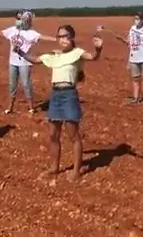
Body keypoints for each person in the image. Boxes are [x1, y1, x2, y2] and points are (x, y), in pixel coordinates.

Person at [13, 25, 103, 181]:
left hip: (69, 94)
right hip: (55, 95)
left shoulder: (78, 53)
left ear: (72, 37)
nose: (63, 39)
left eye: (66, 36)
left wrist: (98, 49)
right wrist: (19, 51)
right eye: (60, 36)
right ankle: (54, 168)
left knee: (73, 135)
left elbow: (93, 57)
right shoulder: (54, 56)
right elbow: (35, 60)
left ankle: (76, 171)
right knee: (53, 135)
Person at [0, 10, 57, 114]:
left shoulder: (32, 33)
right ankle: (10, 107)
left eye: (23, 19)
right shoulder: (12, 30)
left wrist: (57, 39)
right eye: (19, 19)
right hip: (13, 62)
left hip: (25, 62)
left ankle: (31, 107)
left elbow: (42, 37)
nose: (20, 21)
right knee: (12, 85)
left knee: (26, 84)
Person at [110, 12, 143, 104]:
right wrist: (121, 39)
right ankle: (135, 97)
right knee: (135, 78)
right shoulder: (132, 29)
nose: (136, 21)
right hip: (134, 57)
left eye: (138, 19)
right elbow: (129, 43)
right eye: (135, 18)